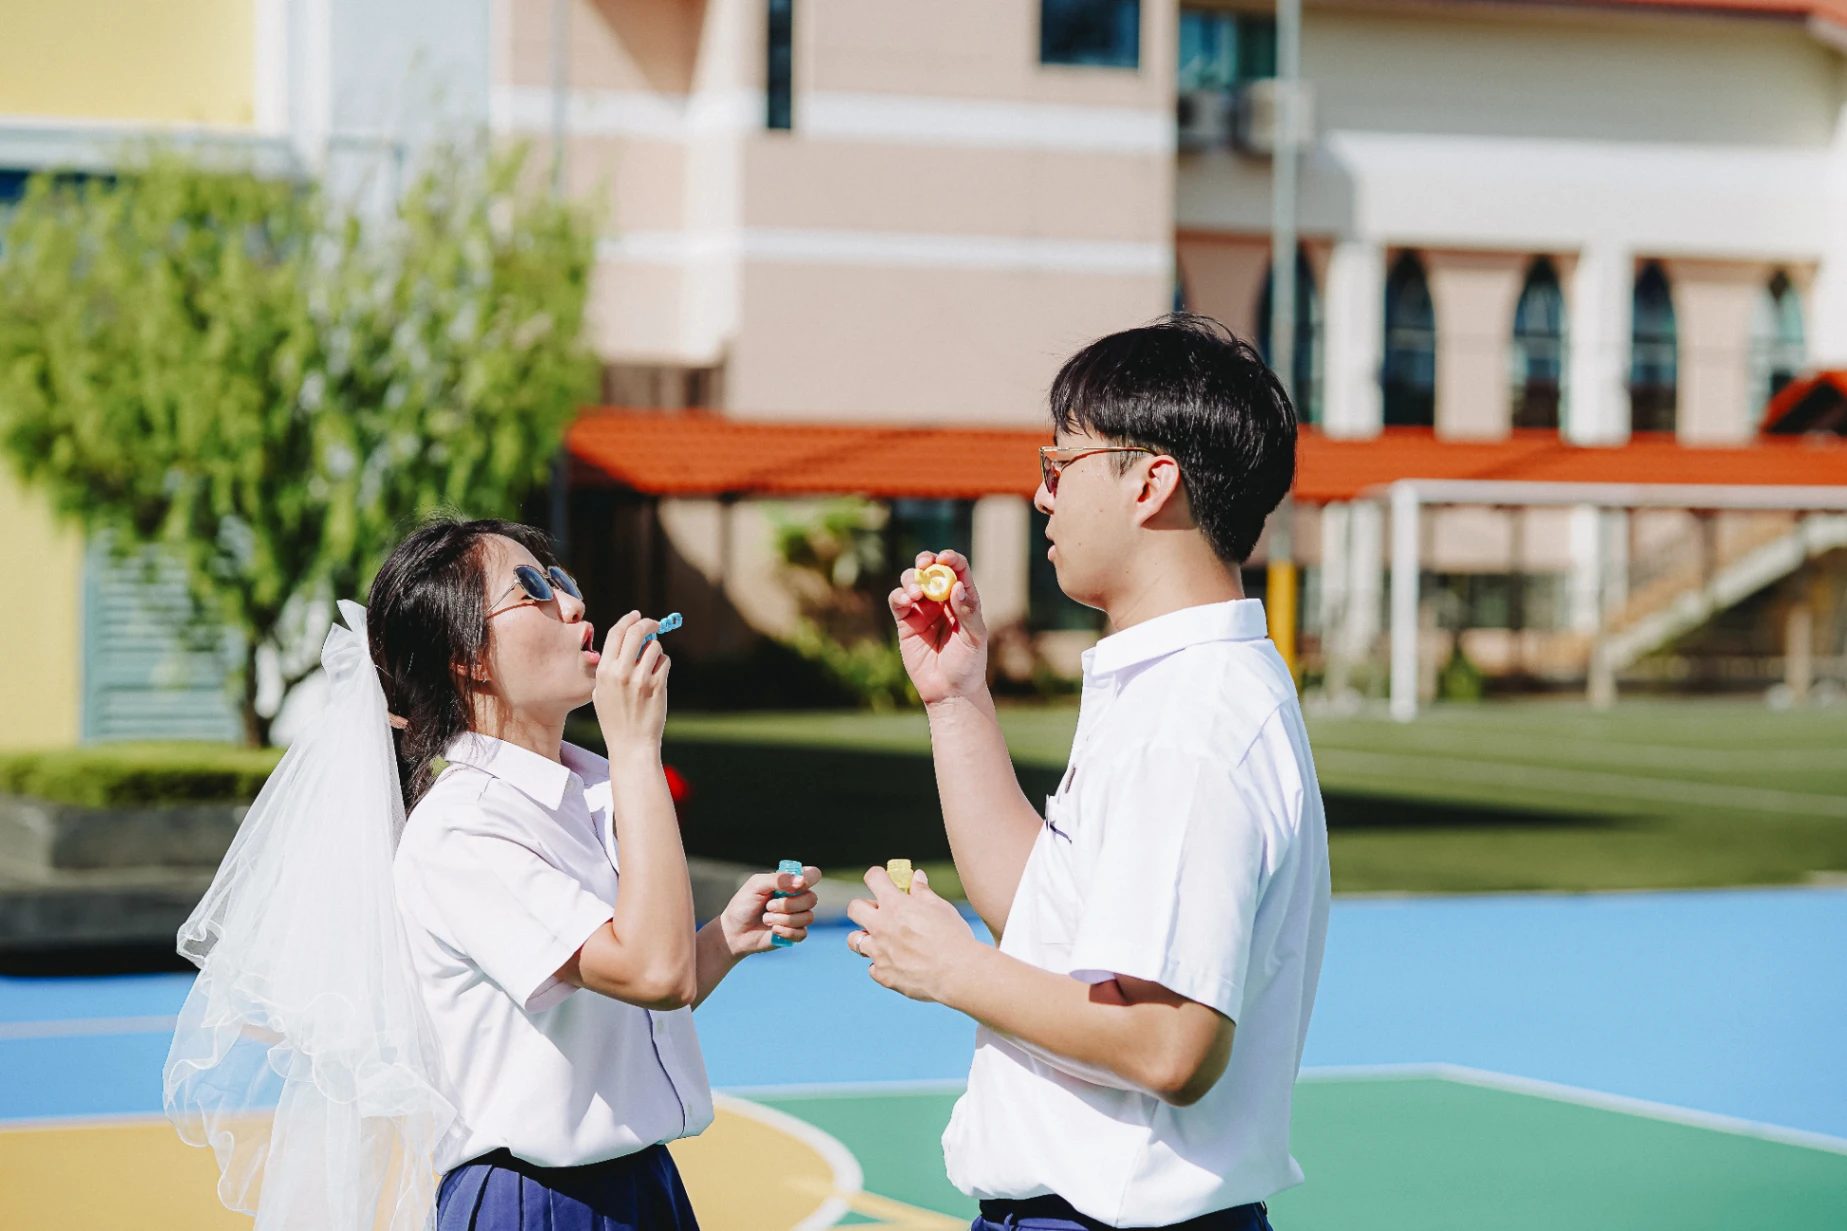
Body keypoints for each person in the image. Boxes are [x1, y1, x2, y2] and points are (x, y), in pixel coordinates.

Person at [166, 516, 819, 1231]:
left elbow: (623, 999)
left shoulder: (588, 790)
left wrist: (722, 936)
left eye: (563, 581)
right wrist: (636, 746)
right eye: (534, 589)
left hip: (641, 1185)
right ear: (467, 658)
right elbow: (654, 973)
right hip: (533, 1202)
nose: (573, 605)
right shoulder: (461, 829)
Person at [846, 315, 1330, 1230]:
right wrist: (957, 700)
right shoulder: (1171, 689)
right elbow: (1045, 913)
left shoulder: (1188, 720)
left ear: (1151, 482)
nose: (1041, 496)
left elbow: (1168, 1042)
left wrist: (954, 969)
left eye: (1058, 463)